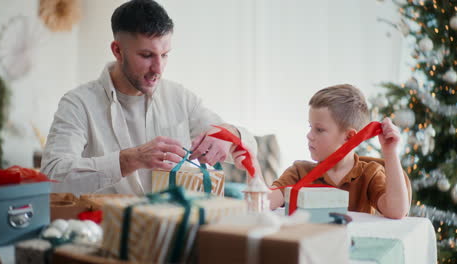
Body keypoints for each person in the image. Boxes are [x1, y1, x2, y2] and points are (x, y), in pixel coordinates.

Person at [41, 0, 256, 195]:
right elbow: (52, 177)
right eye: (146, 55)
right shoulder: (77, 104)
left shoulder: (180, 98)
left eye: (164, 55)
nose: (158, 68)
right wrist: (130, 160)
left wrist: (229, 134)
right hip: (105, 231)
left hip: (172, 230)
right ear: (117, 50)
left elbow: (248, 145)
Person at [236, 84, 411, 219]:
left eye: (319, 130)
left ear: (350, 137)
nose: (309, 135)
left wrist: (390, 152)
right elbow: (262, 203)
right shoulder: (299, 172)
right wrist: (251, 165)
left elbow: (396, 211)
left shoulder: (369, 175)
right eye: (310, 127)